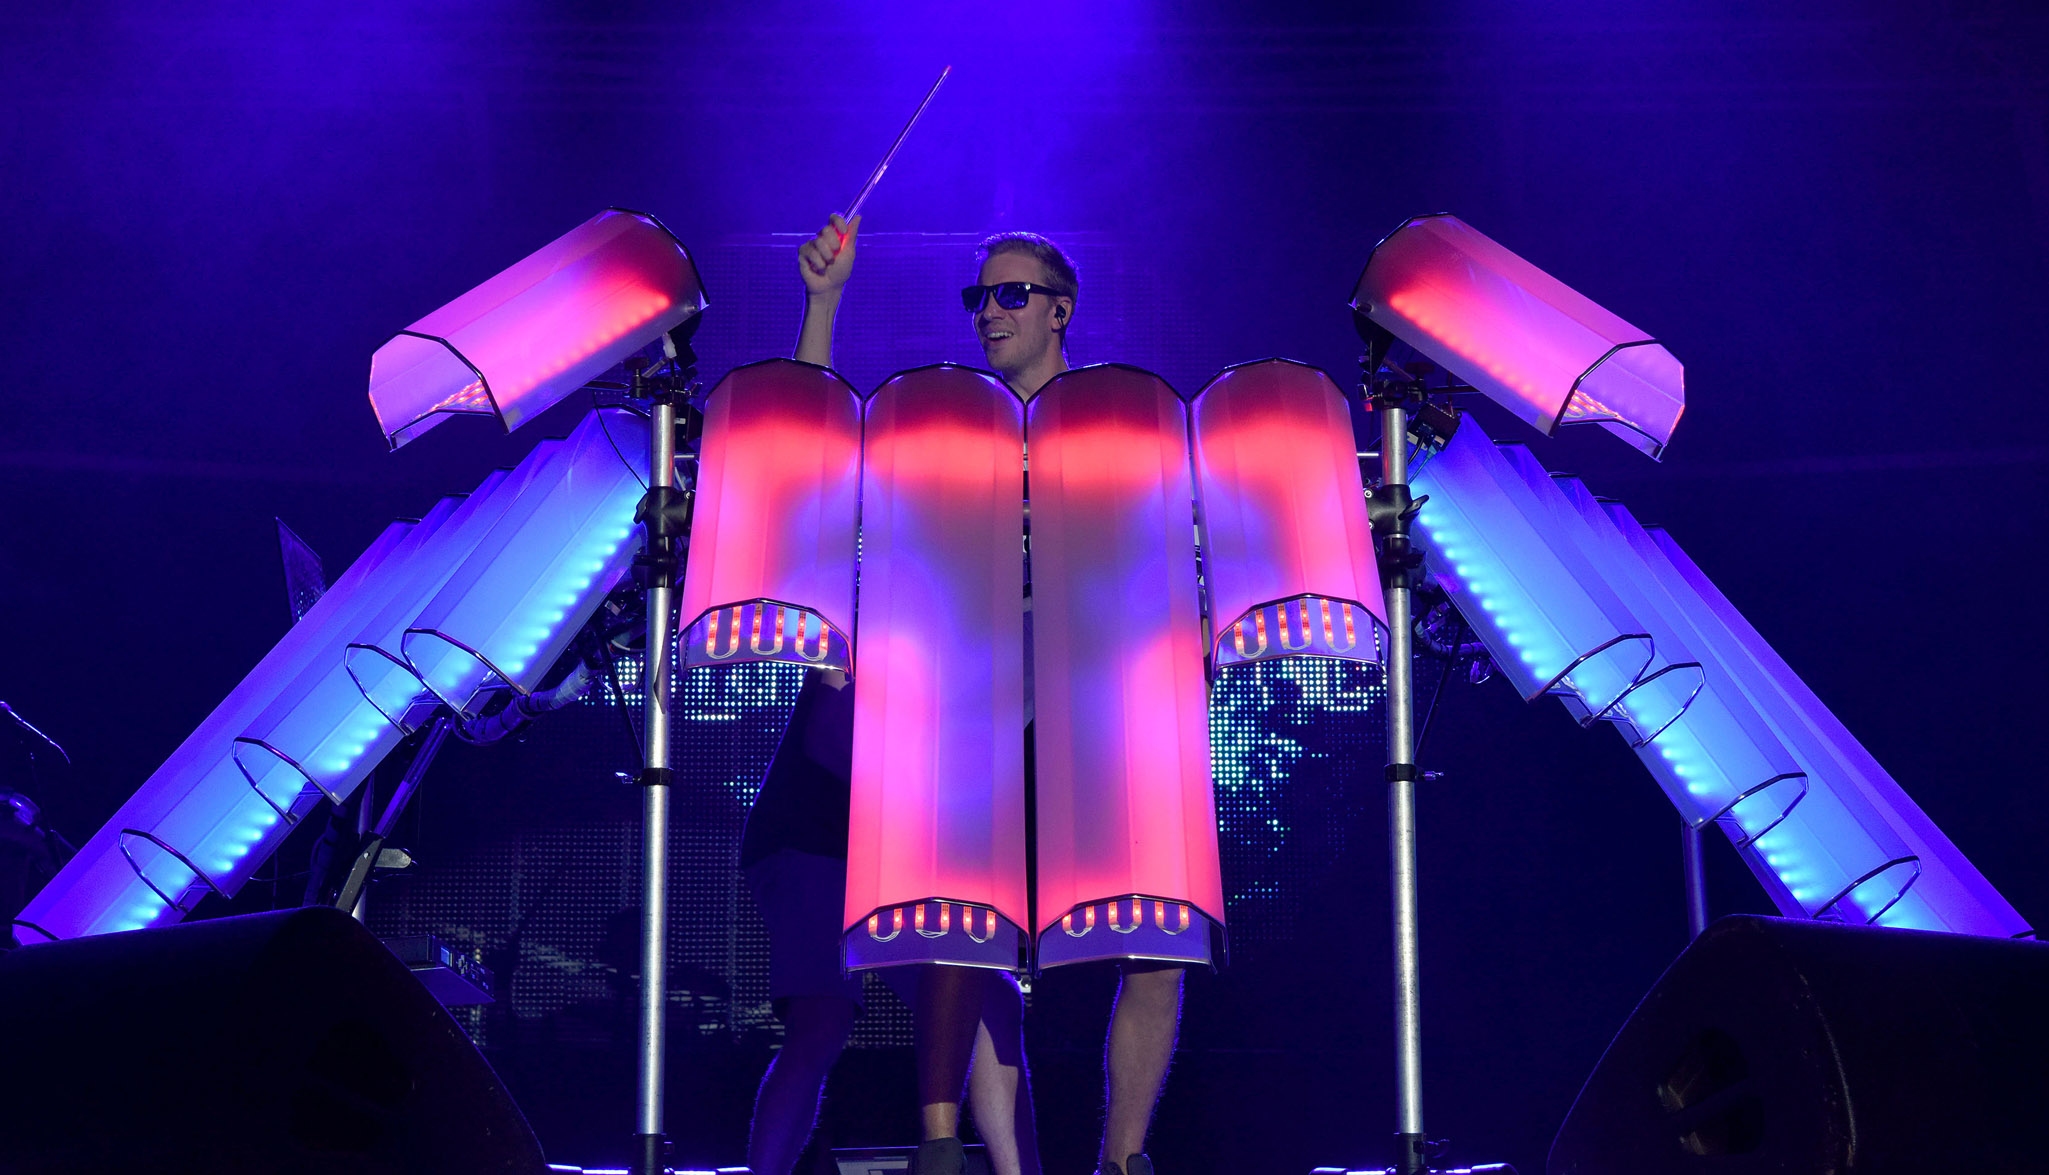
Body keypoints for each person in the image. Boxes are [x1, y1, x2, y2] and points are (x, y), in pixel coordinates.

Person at [792, 215, 1186, 1175]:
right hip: (975, 710)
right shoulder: (946, 420)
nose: (988, 312)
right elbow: (813, 449)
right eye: (978, 296)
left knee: (1159, 935)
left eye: (1011, 294)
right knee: (960, 926)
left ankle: (1121, 1160)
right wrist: (824, 302)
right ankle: (959, 1155)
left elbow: (1167, 554)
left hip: (1095, 704)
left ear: (1062, 311)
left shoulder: (1111, 417)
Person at [741, 213, 1039, 1175]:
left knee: (989, 1004)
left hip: (920, 831)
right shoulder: (878, 566)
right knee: (821, 1023)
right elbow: (809, 438)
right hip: (819, 826)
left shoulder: (1002, 574)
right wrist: (821, 303)